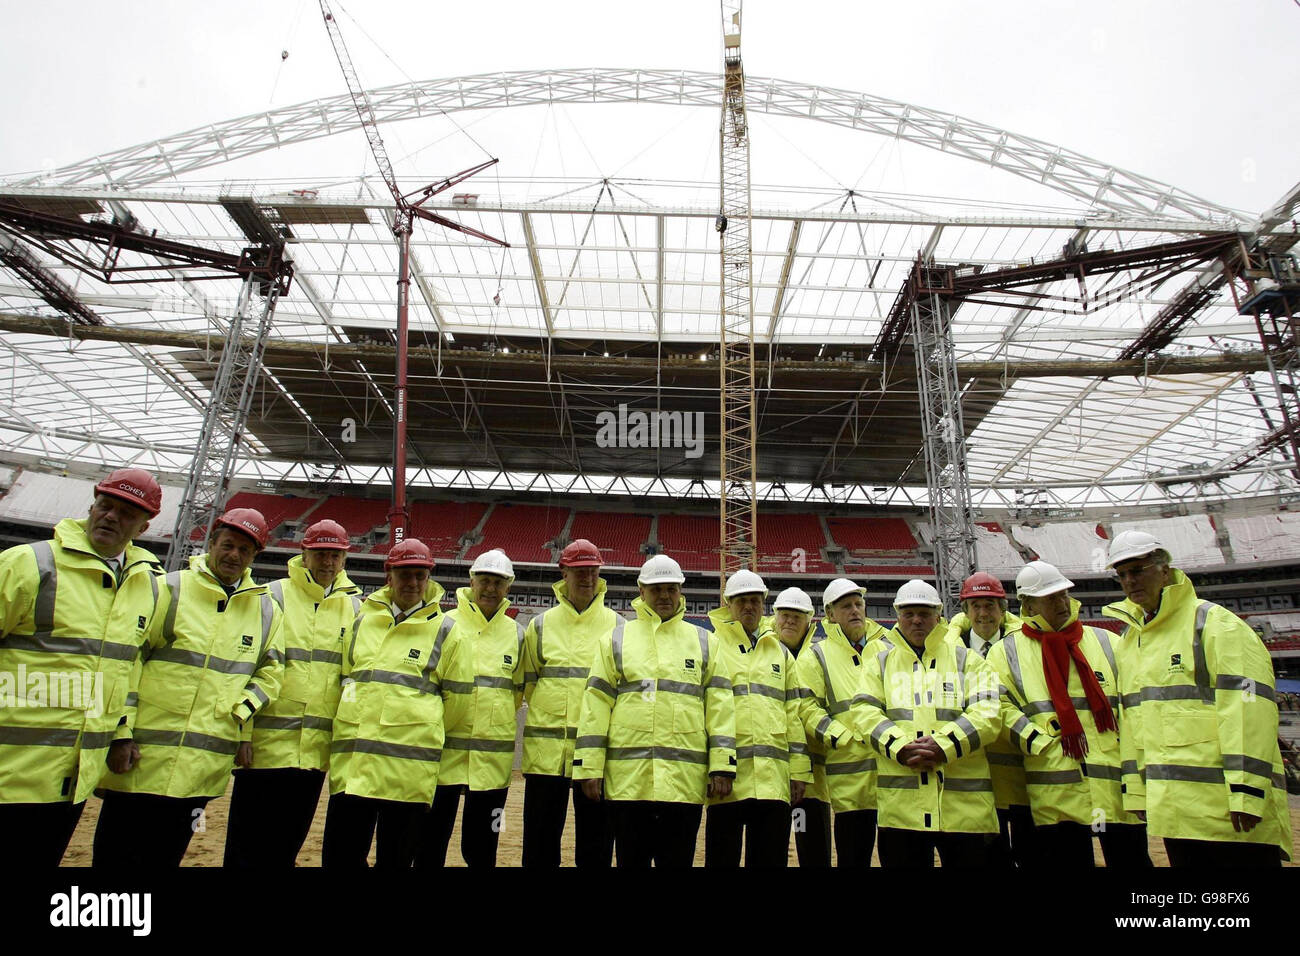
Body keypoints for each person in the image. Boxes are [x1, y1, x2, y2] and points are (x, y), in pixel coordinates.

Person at [94, 507, 284, 867]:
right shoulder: (168, 589)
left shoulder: (266, 610)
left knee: (170, 855)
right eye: (227, 545)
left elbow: (272, 671)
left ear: (254, 556)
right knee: (116, 857)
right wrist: (121, 732)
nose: (233, 556)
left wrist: (240, 715)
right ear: (211, 543)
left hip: (202, 771)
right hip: (139, 762)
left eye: (244, 551)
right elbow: (127, 660)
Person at [0, 467, 165, 866]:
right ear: (91, 506)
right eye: (105, 506)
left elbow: (124, 668)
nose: (110, 517)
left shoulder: (147, 586)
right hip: (10, 776)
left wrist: (122, 731)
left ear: (143, 527)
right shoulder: (28, 564)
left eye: (126, 514)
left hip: (72, 780)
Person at [1103, 529, 1294, 866]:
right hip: (1176, 815)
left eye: (1137, 570)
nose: (1130, 581)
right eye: (1122, 575)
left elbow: (1248, 712)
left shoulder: (1217, 625)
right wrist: (1135, 790)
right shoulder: (1132, 640)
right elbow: (1133, 721)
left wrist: (1247, 792)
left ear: (1164, 569)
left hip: (1230, 812)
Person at [573, 554, 736, 867]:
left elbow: (720, 707)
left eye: (671, 589)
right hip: (628, 785)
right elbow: (595, 704)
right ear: (641, 590)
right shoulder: (615, 640)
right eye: (656, 588)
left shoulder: (705, 642)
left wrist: (722, 766)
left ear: (680, 591)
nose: (664, 595)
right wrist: (589, 766)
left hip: (683, 785)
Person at [984, 561, 1150, 868]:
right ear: (1028, 604)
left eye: (1063, 594)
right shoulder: (1004, 652)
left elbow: (1132, 707)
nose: (1062, 603)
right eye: (1050, 598)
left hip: (1117, 791)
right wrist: (1039, 742)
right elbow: (998, 707)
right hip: (1056, 794)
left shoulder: (1107, 642)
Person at [223, 518, 362, 867]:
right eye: (321, 554)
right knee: (245, 849)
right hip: (264, 752)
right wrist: (244, 733)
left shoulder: (356, 608)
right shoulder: (272, 597)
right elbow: (247, 669)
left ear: (344, 559)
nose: (328, 563)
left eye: (335, 555)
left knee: (286, 848)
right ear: (304, 553)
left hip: (313, 756)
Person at [321, 538, 453, 868]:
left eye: (419, 576)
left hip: (406, 779)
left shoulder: (448, 631)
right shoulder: (362, 623)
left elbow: (456, 703)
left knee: (395, 860)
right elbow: (347, 684)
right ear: (388, 576)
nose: (412, 583)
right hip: (355, 773)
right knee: (341, 859)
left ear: (429, 579)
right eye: (404, 574)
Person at [859, 580, 1000, 868]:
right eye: (908, 613)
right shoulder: (880, 664)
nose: (916, 620)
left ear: (938, 615)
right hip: (902, 811)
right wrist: (900, 747)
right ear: (897, 616)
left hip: (964, 812)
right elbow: (863, 712)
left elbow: (989, 713)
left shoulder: (968, 661)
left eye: (924, 612)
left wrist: (943, 745)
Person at [414, 548, 525, 868]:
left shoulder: (517, 634)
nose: (491, 589)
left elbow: (517, 691)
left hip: (493, 768)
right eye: (485, 581)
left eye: (499, 582)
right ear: (471, 581)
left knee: (485, 845)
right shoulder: (443, 624)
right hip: (441, 760)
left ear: (509, 586)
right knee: (429, 841)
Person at [520, 539, 617, 868]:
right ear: (564, 572)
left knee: (596, 845)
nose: (587, 577)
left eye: (592, 570)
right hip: (546, 759)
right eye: (579, 571)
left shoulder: (618, 627)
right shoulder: (541, 625)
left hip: (596, 760)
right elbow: (531, 683)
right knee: (539, 845)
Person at [705, 570, 811, 867]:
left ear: (764, 604)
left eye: (755, 600)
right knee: (721, 859)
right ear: (728, 604)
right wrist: (716, 768)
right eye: (742, 601)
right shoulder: (712, 647)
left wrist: (799, 772)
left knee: (769, 859)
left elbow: (794, 714)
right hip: (728, 782)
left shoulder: (780, 653)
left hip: (772, 783)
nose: (749, 607)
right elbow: (706, 711)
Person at [795, 577, 887, 867]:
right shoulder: (816, 656)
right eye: (846, 606)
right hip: (848, 781)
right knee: (853, 856)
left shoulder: (888, 650)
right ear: (830, 614)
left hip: (892, 778)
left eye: (859, 604)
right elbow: (806, 706)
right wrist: (838, 735)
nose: (855, 610)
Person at [948, 571, 1032, 868]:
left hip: (1022, 773)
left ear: (1003, 608)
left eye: (990, 605)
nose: (983, 613)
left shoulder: (1024, 648)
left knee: (1028, 854)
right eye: (976, 606)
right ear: (966, 611)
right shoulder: (949, 653)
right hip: (975, 777)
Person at [771, 586, 832, 867]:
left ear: (810, 621)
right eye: (784, 615)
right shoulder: (763, 656)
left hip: (812, 784)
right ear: (774, 617)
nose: (789, 621)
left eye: (797, 616)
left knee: (812, 848)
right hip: (772, 777)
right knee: (772, 849)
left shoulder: (821, 659)